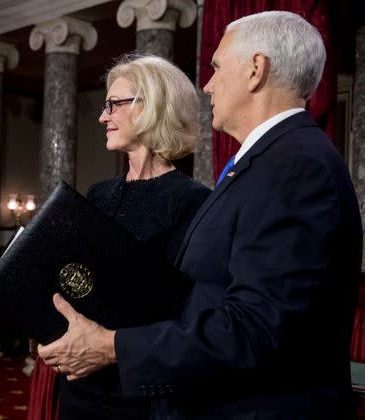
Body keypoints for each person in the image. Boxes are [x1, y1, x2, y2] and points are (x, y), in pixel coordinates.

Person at [39, 10, 363, 420]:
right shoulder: (274, 161)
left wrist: (109, 346)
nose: (207, 85)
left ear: (255, 70)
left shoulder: (296, 167)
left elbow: (255, 328)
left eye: (215, 67)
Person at [28, 55, 211, 420]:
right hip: (78, 383)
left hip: (134, 392)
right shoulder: (99, 193)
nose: (102, 116)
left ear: (153, 106)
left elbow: (179, 311)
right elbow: (77, 281)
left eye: (114, 104)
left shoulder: (193, 200)